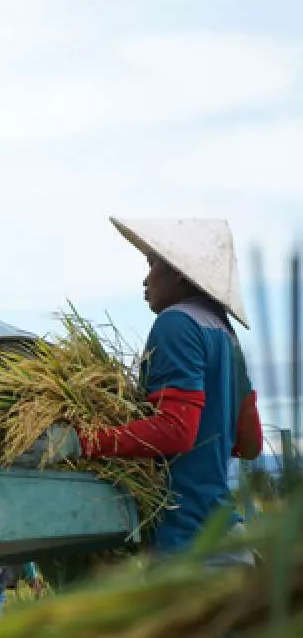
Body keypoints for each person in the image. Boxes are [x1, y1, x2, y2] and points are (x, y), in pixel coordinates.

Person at [17, 218, 264, 565]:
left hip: (188, 547)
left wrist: (79, 442)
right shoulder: (227, 336)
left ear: (179, 272)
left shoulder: (177, 323)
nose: (146, 280)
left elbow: (176, 430)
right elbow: (251, 443)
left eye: (152, 265)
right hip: (227, 538)